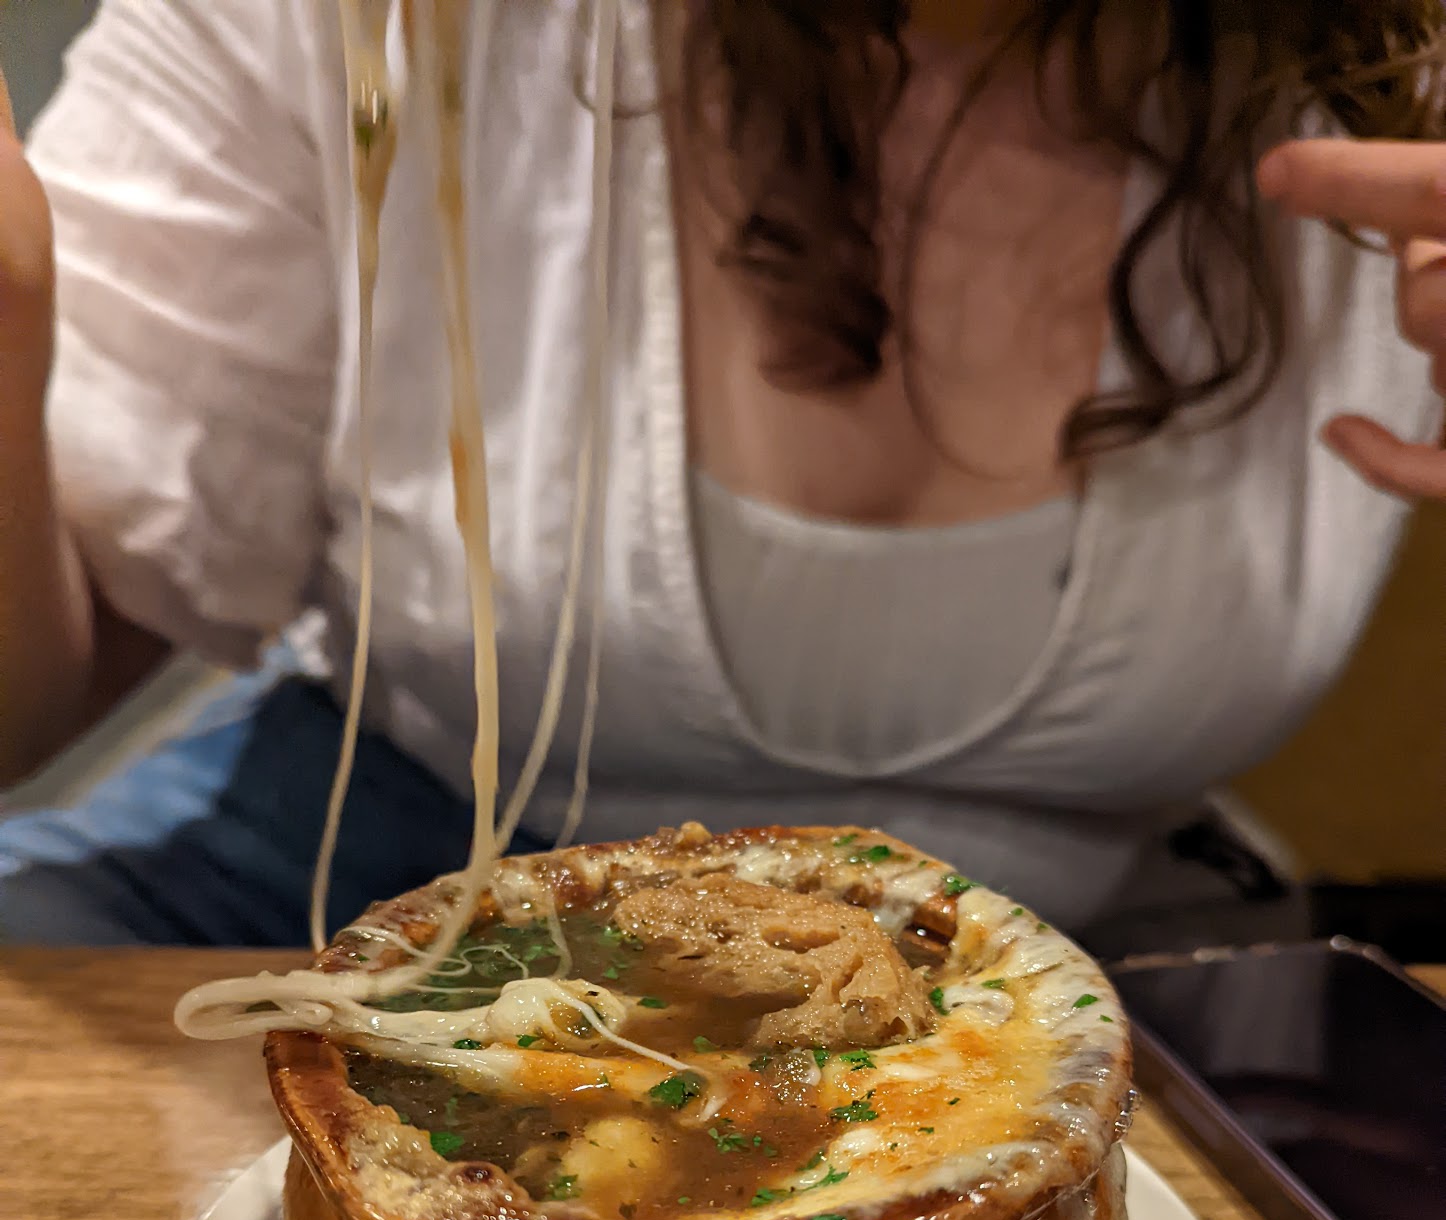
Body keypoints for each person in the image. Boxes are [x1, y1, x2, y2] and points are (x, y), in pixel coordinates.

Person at [0, 0, 1443, 946]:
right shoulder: (357, 29)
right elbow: (32, 703)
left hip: (1083, 952)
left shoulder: (1397, 89)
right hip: (377, 866)